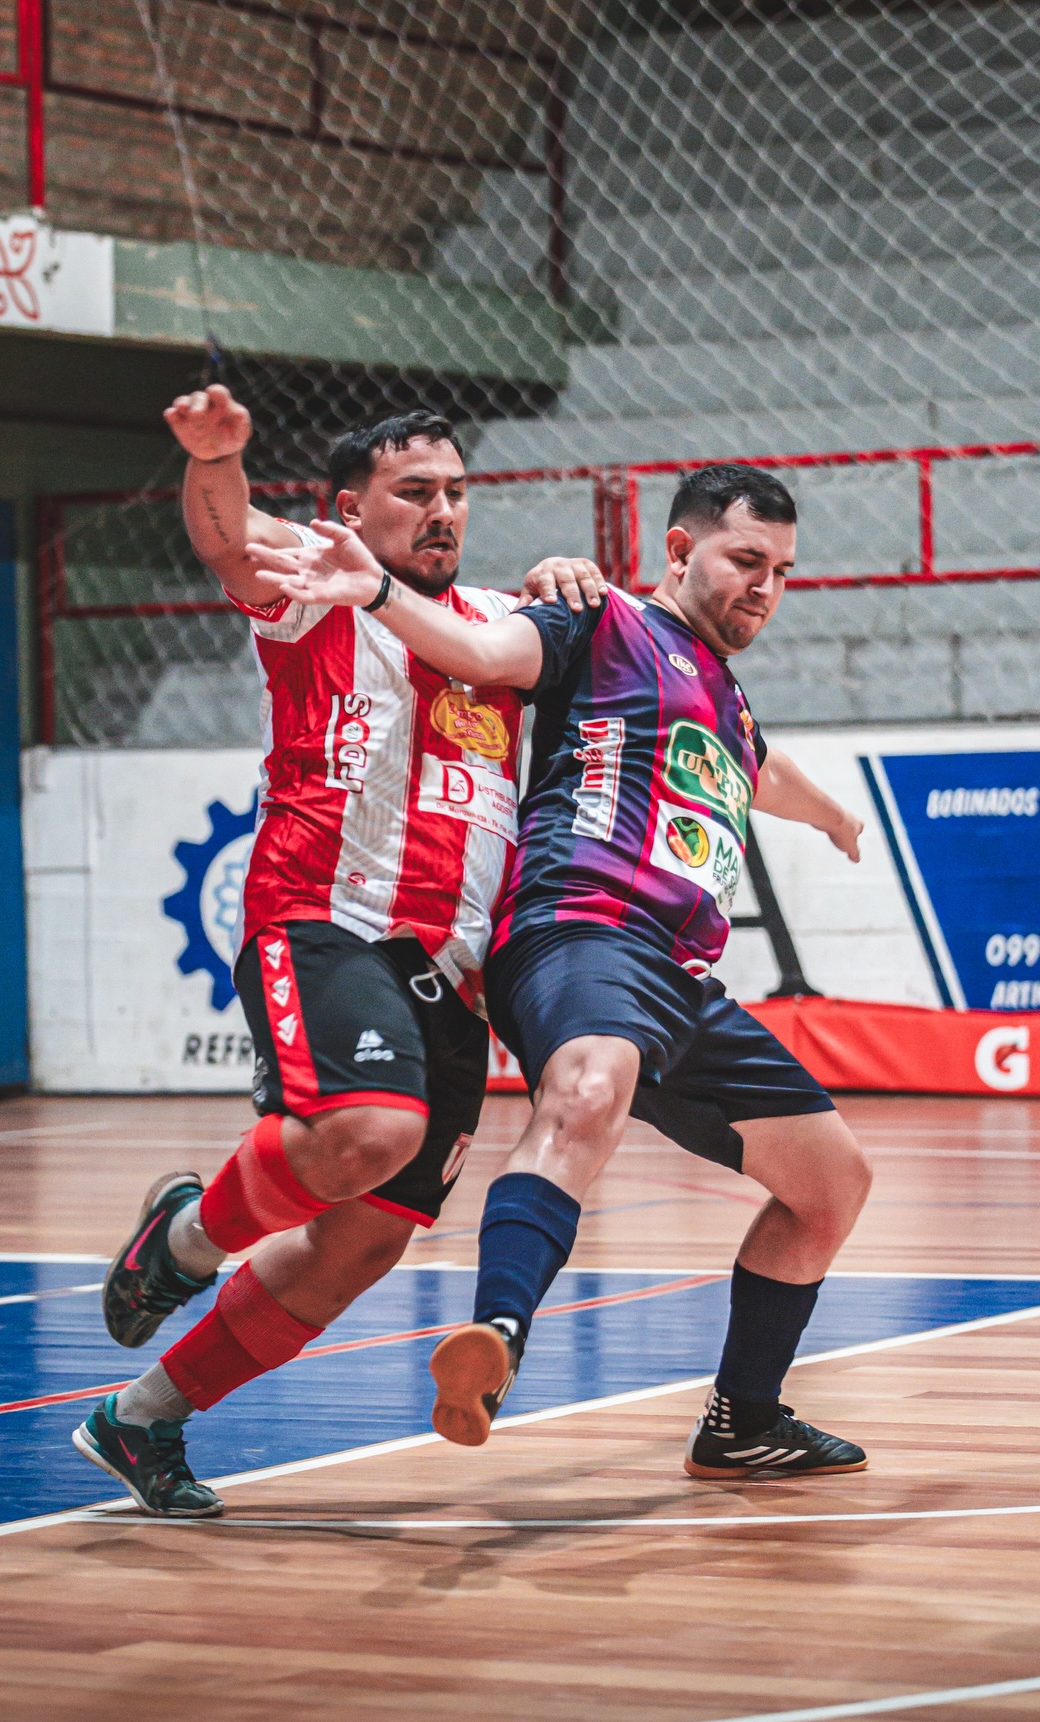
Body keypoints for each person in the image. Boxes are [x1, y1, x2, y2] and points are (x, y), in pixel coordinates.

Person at [245, 463, 875, 1481]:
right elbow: (483, 648)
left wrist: (835, 815)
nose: (765, 586)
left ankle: (741, 1421)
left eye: (783, 571)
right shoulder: (600, 621)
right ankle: (496, 1338)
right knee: (589, 1090)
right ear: (681, 550)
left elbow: (759, 767)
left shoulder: (724, 692)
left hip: (676, 979)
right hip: (576, 932)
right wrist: (375, 591)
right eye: (746, 560)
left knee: (832, 1185)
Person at [74, 385, 605, 1517]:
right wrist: (219, 459)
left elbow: (578, 634)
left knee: (362, 1246)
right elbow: (226, 533)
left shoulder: (490, 623)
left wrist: (574, 572)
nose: (443, 509)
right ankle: (178, 1242)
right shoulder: (315, 585)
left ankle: (142, 1422)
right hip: (331, 915)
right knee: (367, 1129)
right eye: (414, 492)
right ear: (349, 511)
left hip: (451, 972)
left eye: (457, 492)